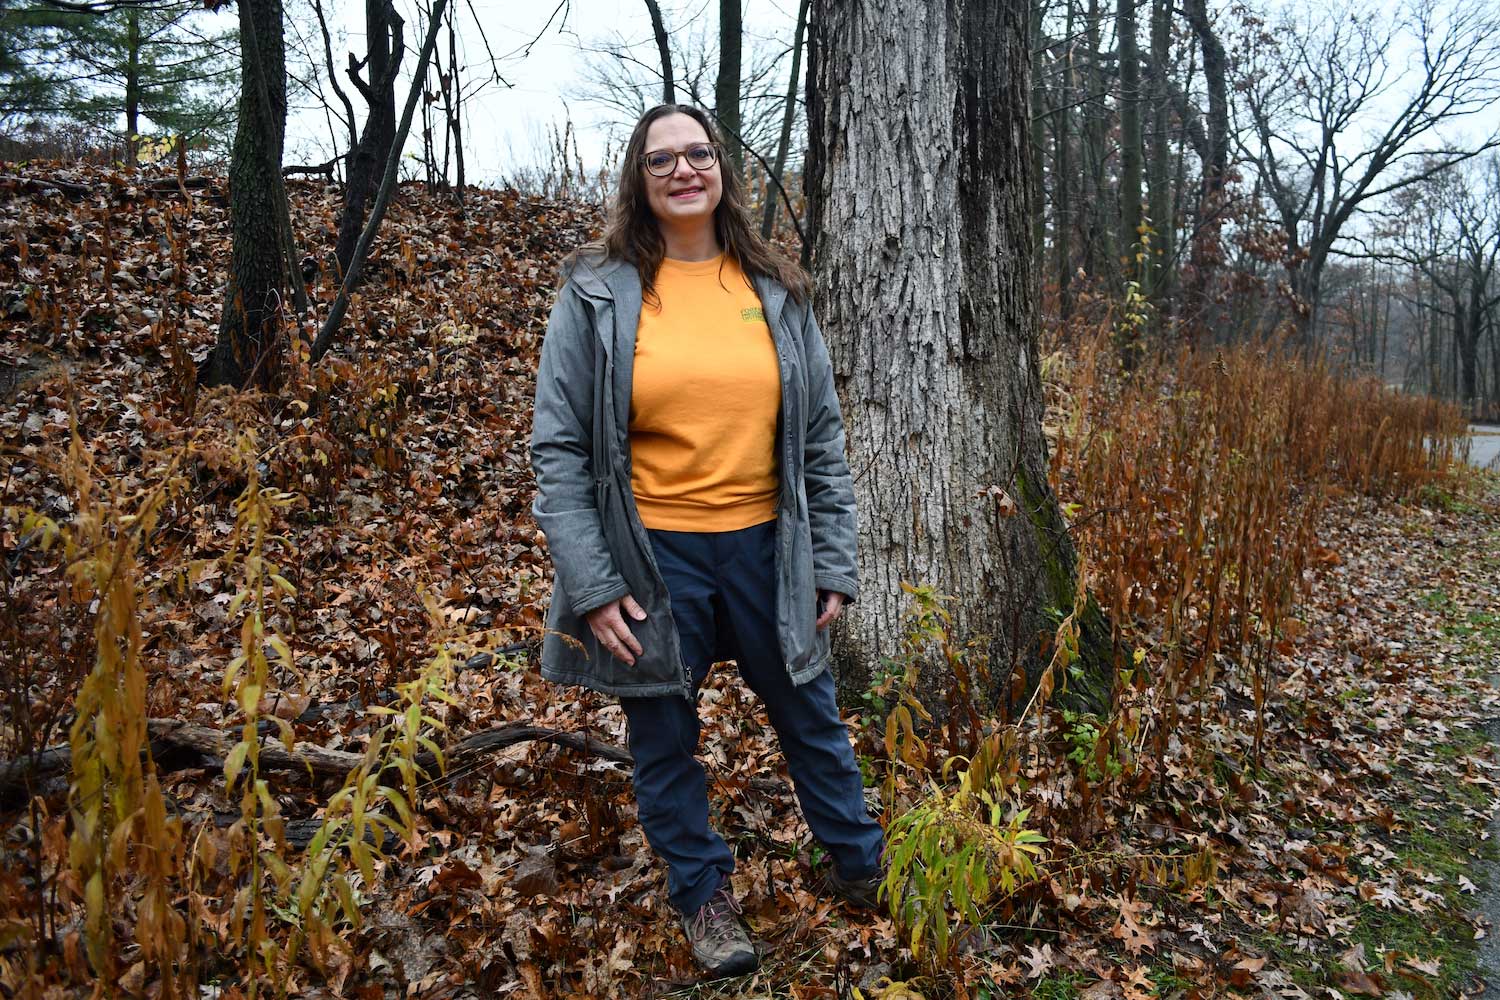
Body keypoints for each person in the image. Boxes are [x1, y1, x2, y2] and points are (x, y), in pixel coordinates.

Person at [529, 104, 884, 979]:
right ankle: (702, 896)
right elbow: (560, 447)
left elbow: (822, 441)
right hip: (654, 555)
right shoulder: (597, 291)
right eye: (662, 161)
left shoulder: (774, 291)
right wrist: (593, 582)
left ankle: (865, 866)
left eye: (698, 154)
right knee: (663, 737)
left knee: (812, 715)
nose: (684, 171)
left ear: (722, 168)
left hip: (770, 546)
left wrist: (831, 557)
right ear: (638, 180)